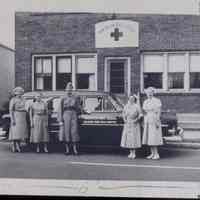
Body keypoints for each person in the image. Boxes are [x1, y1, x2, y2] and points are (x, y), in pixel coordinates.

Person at [57, 82, 82, 155]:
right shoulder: (63, 97)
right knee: (66, 132)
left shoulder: (75, 97)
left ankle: (75, 149)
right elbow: (60, 109)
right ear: (66, 89)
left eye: (71, 88)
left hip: (74, 114)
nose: (69, 90)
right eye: (68, 88)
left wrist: (82, 112)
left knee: (74, 132)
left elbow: (78, 107)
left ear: (72, 89)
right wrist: (60, 120)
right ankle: (67, 149)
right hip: (66, 114)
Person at [142, 87, 163, 160]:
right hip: (148, 119)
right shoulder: (145, 101)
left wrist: (157, 121)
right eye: (148, 93)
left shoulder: (157, 101)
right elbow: (144, 112)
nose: (149, 94)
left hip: (154, 119)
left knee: (154, 137)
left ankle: (156, 153)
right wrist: (145, 121)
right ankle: (152, 153)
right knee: (149, 137)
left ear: (153, 93)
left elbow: (159, 112)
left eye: (150, 92)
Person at [120, 94, 143, 159]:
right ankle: (130, 152)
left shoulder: (137, 106)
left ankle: (134, 153)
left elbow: (141, 114)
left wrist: (136, 119)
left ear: (134, 100)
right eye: (130, 99)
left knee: (133, 138)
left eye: (132, 99)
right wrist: (124, 119)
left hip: (134, 123)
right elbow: (123, 113)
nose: (131, 100)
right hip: (128, 123)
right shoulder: (126, 106)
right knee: (129, 138)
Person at [9, 87, 29, 153]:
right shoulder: (13, 100)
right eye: (18, 93)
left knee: (20, 132)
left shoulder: (24, 99)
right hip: (16, 115)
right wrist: (12, 119)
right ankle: (13, 145)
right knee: (15, 131)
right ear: (15, 93)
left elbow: (27, 107)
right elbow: (11, 110)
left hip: (22, 116)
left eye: (20, 93)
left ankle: (18, 145)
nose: (19, 94)